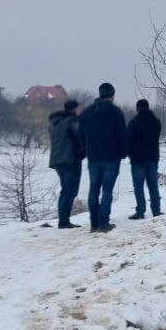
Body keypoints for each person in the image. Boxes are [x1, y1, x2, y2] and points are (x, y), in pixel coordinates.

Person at [78, 82, 128, 232]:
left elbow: (81, 135)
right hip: (112, 158)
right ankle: (104, 223)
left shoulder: (87, 113)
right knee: (107, 190)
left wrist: (86, 149)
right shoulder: (116, 112)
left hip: (93, 157)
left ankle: (94, 224)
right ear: (112, 96)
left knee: (93, 190)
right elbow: (122, 135)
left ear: (100, 94)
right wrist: (123, 152)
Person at [47, 98, 85, 228]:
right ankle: (64, 221)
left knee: (65, 190)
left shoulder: (54, 123)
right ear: (74, 108)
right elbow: (79, 137)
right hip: (70, 159)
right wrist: (83, 151)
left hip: (57, 160)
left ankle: (63, 219)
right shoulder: (72, 121)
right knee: (70, 191)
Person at [127, 99, 162, 219]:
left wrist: (130, 153)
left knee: (138, 187)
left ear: (137, 109)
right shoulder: (156, 122)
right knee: (153, 185)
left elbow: (129, 141)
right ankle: (156, 210)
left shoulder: (133, 123)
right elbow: (156, 137)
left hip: (137, 160)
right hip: (152, 158)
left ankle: (140, 211)